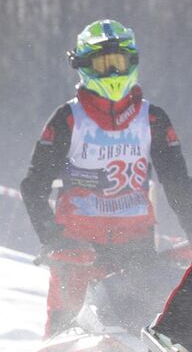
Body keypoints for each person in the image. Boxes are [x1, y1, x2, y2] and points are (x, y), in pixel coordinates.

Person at [22, 19, 192, 335]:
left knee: (143, 334)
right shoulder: (68, 119)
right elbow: (33, 186)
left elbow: (178, 183)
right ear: (84, 66)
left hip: (136, 248)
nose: (113, 73)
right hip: (78, 251)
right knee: (64, 331)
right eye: (103, 64)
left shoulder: (152, 118)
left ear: (133, 62)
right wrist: (54, 238)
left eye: (119, 63)